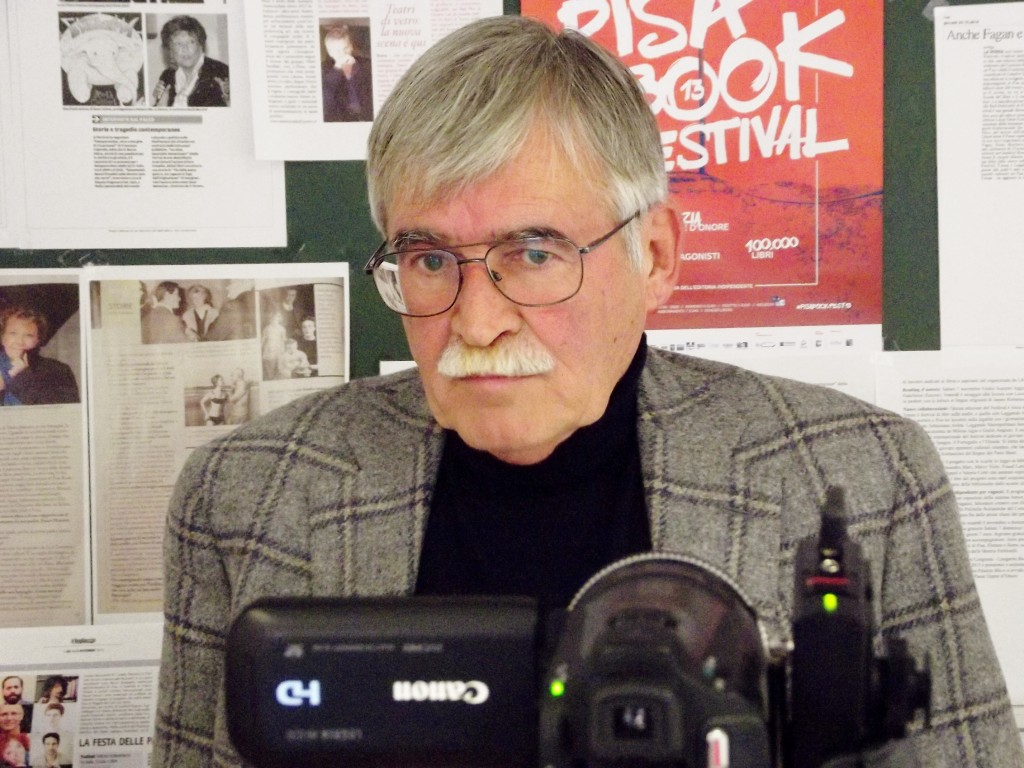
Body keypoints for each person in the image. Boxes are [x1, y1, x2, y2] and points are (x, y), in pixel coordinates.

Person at [154, 16, 1023, 768]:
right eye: (428, 260)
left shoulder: (865, 477)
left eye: (534, 253)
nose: (477, 321)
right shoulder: (248, 494)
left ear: (656, 258)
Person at [0, 307, 80, 406]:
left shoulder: (57, 370)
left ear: (38, 339)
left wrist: (22, 376)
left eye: (28, 335)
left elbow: (65, 410)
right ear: (2, 337)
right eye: (13, 333)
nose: (19, 341)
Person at [152, 16, 228, 108]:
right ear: (170, 50)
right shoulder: (167, 75)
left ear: (201, 45)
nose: (185, 49)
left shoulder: (220, 72)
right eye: (178, 44)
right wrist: (159, 106)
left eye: (191, 42)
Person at [321, 24, 372, 122]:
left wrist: (356, 69)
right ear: (330, 52)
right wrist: (336, 70)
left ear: (351, 47)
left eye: (345, 48)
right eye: (337, 51)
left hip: (367, 118)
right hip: (342, 120)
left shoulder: (367, 64)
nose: (342, 54)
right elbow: (326, 100)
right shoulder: (324, 69)